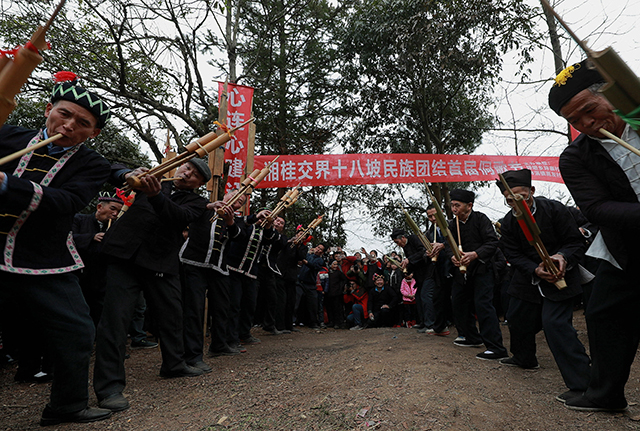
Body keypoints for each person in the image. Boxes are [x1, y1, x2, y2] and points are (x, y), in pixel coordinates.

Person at [0, 76, 113, 425]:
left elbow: (67, 201)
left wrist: (7, 184)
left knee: (77, 331)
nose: (68, 126)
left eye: (82, 124)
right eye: (63, 115)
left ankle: (68, 404)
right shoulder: (8, 136)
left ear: (92, 133)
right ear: (49, 110)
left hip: (44, 259)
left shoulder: (92, 164)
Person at [553, 59, 640, 412]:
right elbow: (597, 208)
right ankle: (605, 394)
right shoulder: (576, 157)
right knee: (604, 314)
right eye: (575, 121)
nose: (587, 124)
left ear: (610, 94)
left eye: (589, 110)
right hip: (626, 247)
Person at [93, 158, 210, 413]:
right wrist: (129, 174)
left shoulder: (197, 203)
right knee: (115, 321)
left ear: (200, 184)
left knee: (172, 315)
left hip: (160, 262)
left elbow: (178, 217)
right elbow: (110, 169)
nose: (187, 173)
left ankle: (174, 364)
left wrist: (155, 195)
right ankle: (109, 388)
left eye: (195, 175)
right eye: (187, 167)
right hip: (124, 257)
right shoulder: (153, 178)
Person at [496, 168, 590, 403]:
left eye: (522, 196)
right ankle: (524, 358)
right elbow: (513, 254)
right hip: (529, 277)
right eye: (510, 200)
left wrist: (562, 257)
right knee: (516, 317)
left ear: (532, 192)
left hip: (562, 275)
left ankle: (584, 384)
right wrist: (534, 268)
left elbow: (575, 242)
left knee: (555, 324)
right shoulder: (508, 223)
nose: (517, 203)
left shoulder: (554, 209)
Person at [179, 191, 244, 361]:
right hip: (193, 263)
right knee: (194, 308)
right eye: (235, 197)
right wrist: (209, 206)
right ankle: (192, 354)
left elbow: (239, 237)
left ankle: (219, 345)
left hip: (219, 267)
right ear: (226, 195)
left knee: (222, 307)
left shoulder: (236, 220)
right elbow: (184, 212)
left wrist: (230, 222)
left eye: (240, 202)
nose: (236, 201)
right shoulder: (204, 207)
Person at [445, 189, 508, 361]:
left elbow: (492, 242)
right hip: (462, 272)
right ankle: (472, 337)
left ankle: (496, 347)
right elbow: (449, 244)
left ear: (469, 205)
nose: (454, 209)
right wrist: (452, 256)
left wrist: (475, 254)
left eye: (457, 205)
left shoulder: (481, 219)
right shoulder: (452, 224)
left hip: (482, 269)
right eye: (452, 205)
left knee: (483, 305)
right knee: (458, 302)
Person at [72, 193, 123, 326]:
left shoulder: (115, 227)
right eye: (113, 208)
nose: (115, 214)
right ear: (100, 207)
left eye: (118, 211)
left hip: (101, 276)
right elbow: (68, 238)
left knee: (99, 307)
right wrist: (91, 237)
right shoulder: (79, 219)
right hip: (79, 273)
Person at [390, 228, 446, 334]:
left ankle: (431, 324)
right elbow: (413, 262)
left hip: (430, 272)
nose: (398, 245)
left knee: (426, 296)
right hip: (419, 276)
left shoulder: (414, 239)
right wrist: (406, 269)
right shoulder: (405, 248)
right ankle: (423, 322)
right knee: (419, 297)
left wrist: (409, 260)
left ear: (403, 238)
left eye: (398, 242)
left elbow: (423, 252)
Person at [297, 244, 326, 329]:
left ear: (322, 252)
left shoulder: (320, 260)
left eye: (320, 249)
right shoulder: (307, 255)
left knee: (313, 305)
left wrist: (306, 262)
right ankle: (294, 321)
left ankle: (313, 323)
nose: (318, 249)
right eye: (318, 247)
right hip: (300, 282)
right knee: (296, 301)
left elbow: (313, 266)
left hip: (311, 284)